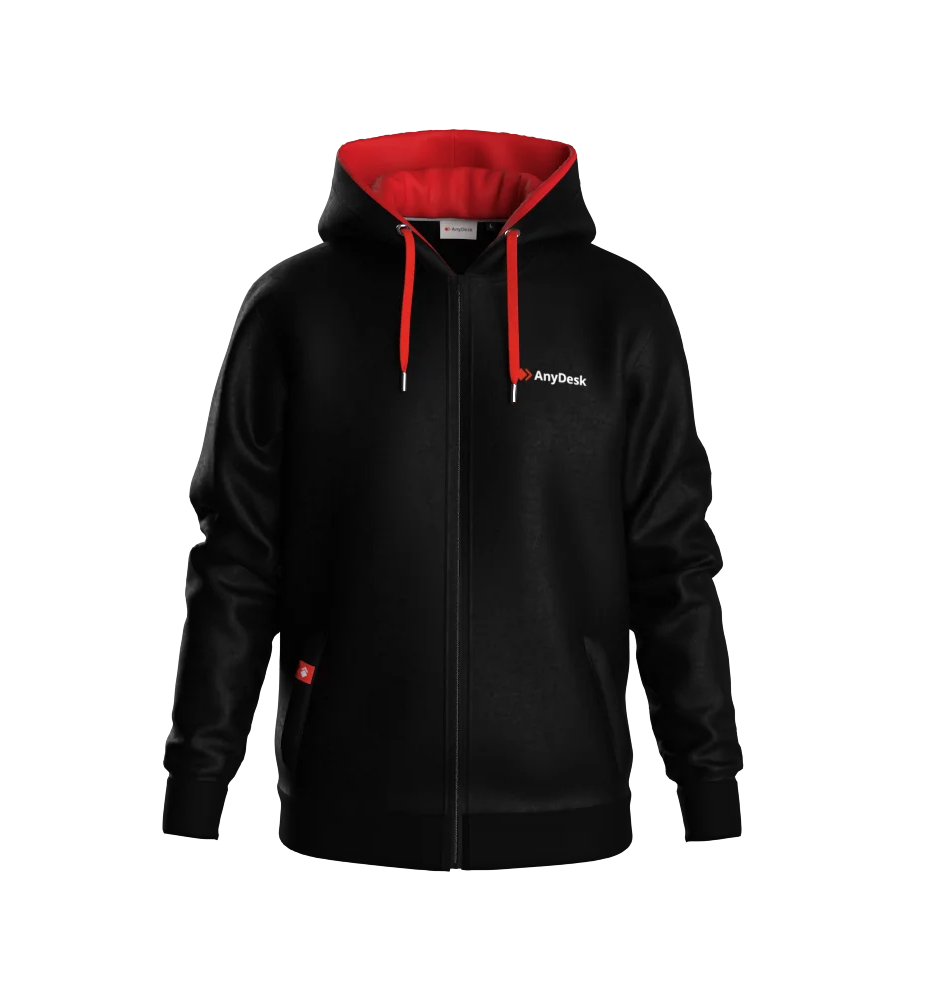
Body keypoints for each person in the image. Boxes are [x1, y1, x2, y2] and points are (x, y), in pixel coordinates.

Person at [162, 129, 743, 869]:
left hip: (567, 812)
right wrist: (195, 792)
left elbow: (675, 565)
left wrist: (711, 788)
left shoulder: (616, 311)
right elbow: (236, 562)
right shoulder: (297, 310)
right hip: (345, 814)